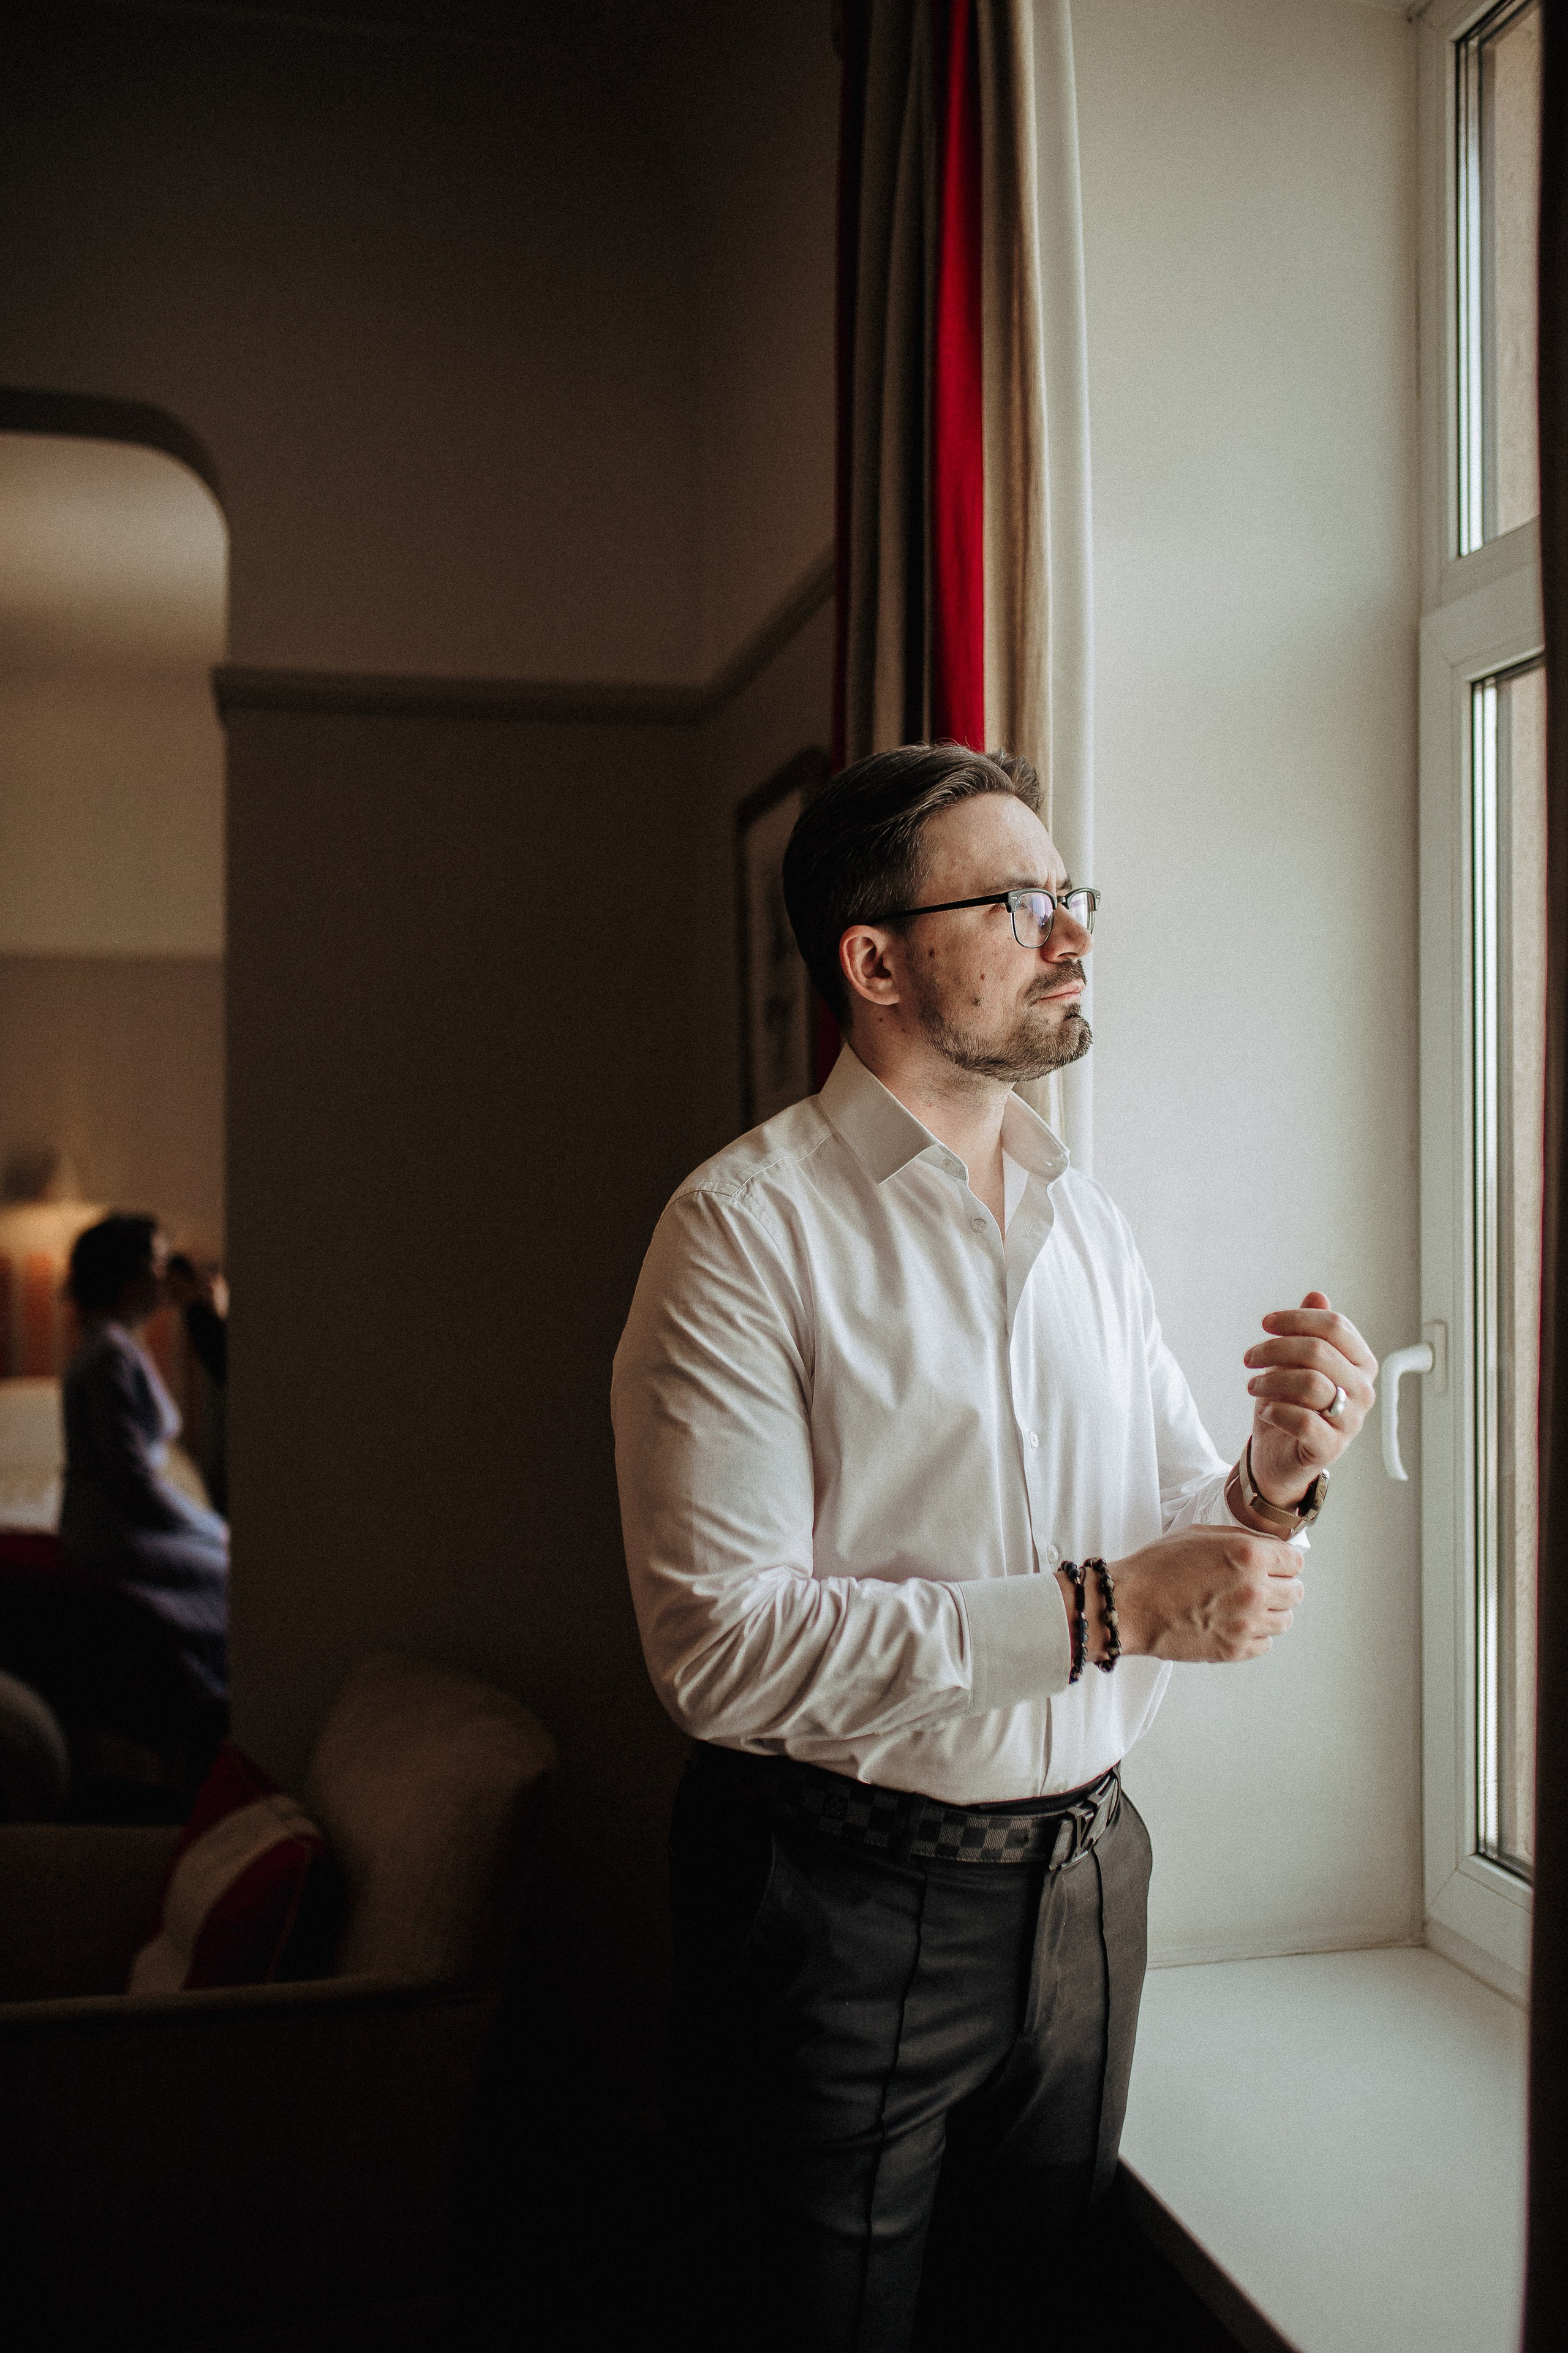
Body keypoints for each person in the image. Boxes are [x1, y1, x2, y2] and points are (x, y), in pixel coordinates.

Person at [611, 745, 1376, 2353]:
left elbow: (1186, 1525)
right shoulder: (740, 1234)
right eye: (1019, 902)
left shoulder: (1081, 1219)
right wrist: (1103, 1611)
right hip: (835, 1902)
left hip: (1094, 1888)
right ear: (873, 962)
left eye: (1071, 895)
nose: (1071, 934)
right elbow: (719, 1650)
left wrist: (1277, 1474)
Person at [59, 1214, 229, 1706]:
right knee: (227, 1573)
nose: (166, 1276)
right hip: (113, 1529)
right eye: (158, 1263)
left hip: (115, 1520)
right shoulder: (111, 1354)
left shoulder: (111, 1346)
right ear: (131, 1276)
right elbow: (132, 1479)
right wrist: (206, 1524)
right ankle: (210, 1705)